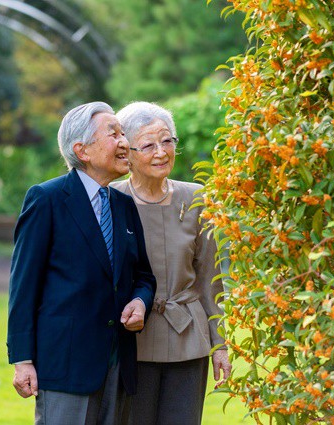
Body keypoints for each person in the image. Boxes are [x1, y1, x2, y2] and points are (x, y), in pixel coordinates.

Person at [7, 101, 157, 425]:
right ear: (82, 150)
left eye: (123, 133)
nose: (124, 142)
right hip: (66, 366)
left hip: (119, 365)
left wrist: (141, 302)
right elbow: (23, 286)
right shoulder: (45, 200)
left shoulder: (124, 205)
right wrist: (22, 359)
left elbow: (144, 276)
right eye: (113, 134)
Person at [111, 102, 231, 425]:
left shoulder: (197, 199)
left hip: (188, 338)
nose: (161, 152)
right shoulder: (111, 200)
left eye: (168, 141)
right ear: (128, 153)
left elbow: (212, 279)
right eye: (149, 145)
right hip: (132, 340)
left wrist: (220, 344)